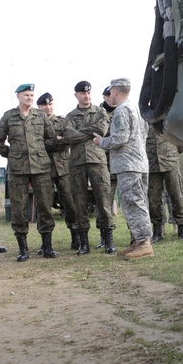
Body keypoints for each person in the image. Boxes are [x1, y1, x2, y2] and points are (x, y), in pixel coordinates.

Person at [0, 83, 58, 261]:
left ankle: (47, 247)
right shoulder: (9, 116)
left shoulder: (40, 116)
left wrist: (40, 152)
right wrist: (13, 155)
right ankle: (23, 249)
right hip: (18, 170)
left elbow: (50, 137)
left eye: (31, 95)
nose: (29, 97)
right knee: (19, 208)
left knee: (45, 206)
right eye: (26, 95)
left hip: (41, 168)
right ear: (18, 96)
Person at [93, 78, 153, 260]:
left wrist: (100, 141)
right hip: (139, 163)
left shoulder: (121, 110)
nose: (110, 96)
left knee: (133, 203)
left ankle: (144, 243)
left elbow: (120, 138)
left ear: (116, 92)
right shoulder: (136, 109)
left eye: (111, 92)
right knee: (138, 202)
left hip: (128, 165)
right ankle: (138, 241)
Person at [62, 81, 115, 254]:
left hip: (97, 161)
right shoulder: (70, 116)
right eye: (82, 93)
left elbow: (103, 130)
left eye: (88, 93)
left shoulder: (100, 112)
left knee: (103, 200)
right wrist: (89, 132)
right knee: (79, 202)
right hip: (77, 163)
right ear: (76, 95)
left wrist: (81, 132)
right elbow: (68, 135)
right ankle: (84, 243)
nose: (86, 96)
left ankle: (108, 240)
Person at [37, 92, 78, 251]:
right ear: (39, 107)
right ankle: (45, 242)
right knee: (44, 206)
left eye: (50, 104)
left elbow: (68, 139)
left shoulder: (62, 121)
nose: (47, 108)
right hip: (43, 168)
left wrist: (48, 142)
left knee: (70, 203)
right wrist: (56, 140)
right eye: (44, 105)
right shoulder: (35, 123)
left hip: (63, 168)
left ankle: (76, 237)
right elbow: (36, 144)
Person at [146, 127, 183, 241]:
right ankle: (157, 231)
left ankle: (181, 229)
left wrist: (172, 151)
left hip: (170, 161)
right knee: (154, 199)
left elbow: (181, 139)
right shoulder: (145, 118)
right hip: (152, 163)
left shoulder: (168, 117)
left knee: (177, 196)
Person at [100, 86, 118, 216]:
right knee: (106, 195)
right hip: (105, 161)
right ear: (105, 97)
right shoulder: (97, 113)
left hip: (123, 159)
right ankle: (107, 226)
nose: (111, 99)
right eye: (108, 96)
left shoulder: (123, 111)